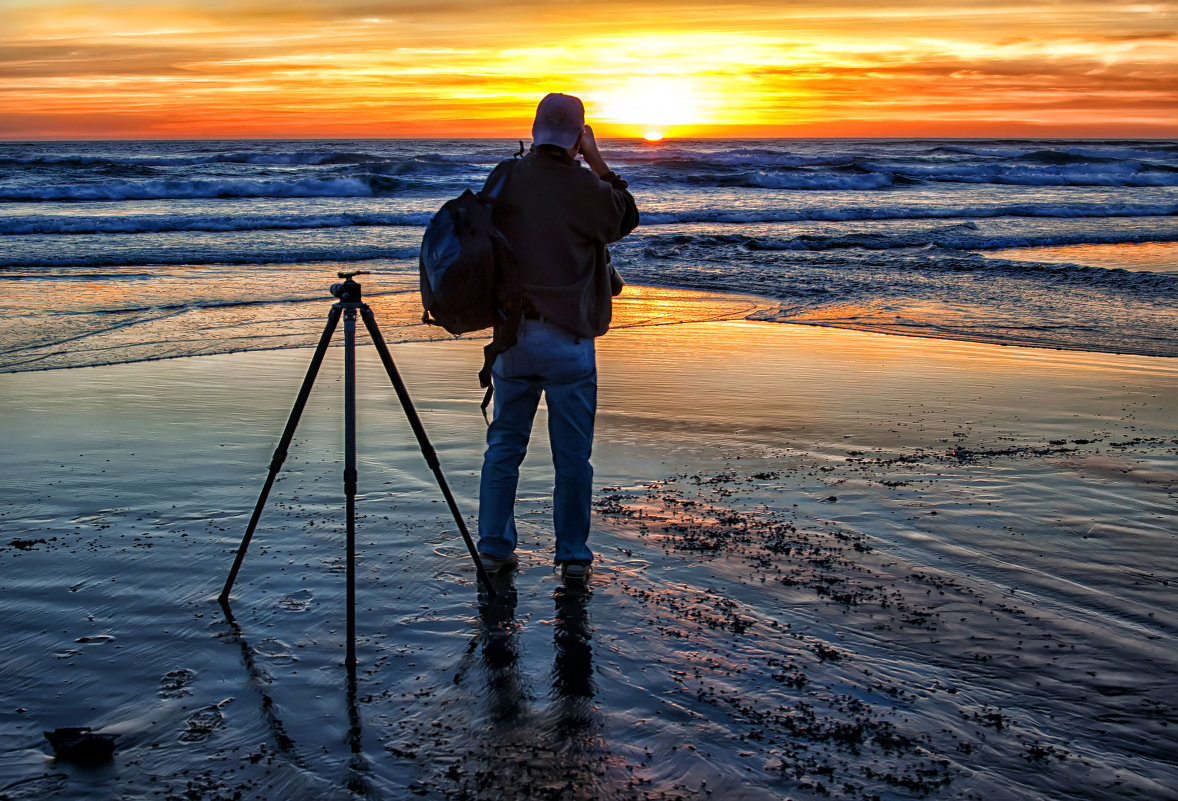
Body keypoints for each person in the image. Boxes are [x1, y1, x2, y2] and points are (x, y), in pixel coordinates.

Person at [476, 92, 640, 585]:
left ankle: (494, 548)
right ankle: (571, 556)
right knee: (572, 457)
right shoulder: (587, 185)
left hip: (513, 336)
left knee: (504, 447)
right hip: (569, 339)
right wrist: (595, 160)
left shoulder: (504, 177)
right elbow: (625, 217)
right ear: (577, 135)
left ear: (534, 131)